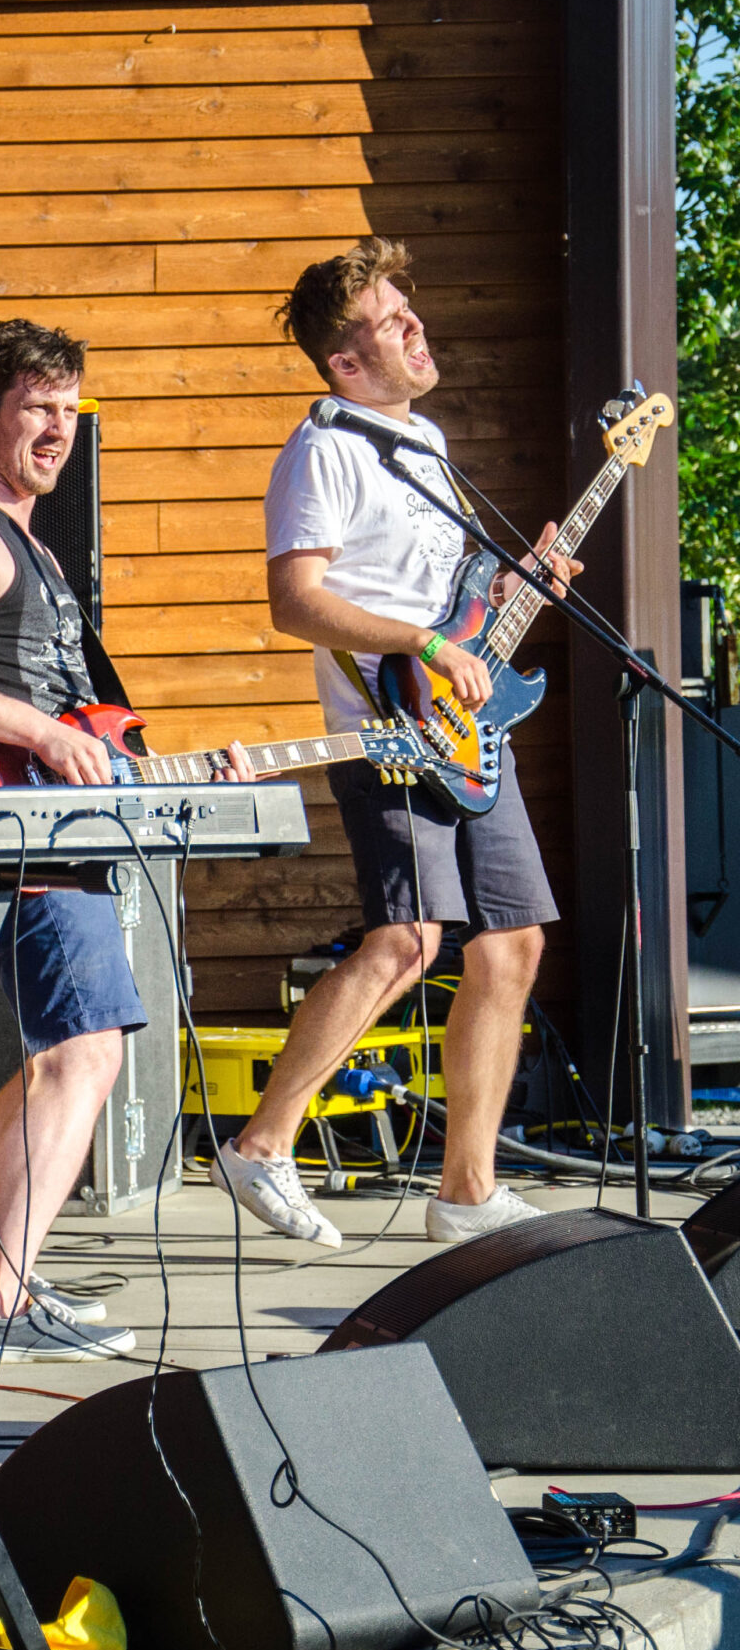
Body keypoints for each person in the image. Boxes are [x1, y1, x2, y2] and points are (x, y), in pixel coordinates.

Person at [0, 320, 253, 1364]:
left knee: (58, 1055)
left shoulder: (26, 541)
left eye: (69, 409)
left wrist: (173, 771)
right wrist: (41, 736)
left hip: (49, 827)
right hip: (19, 829)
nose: (57, 427)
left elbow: (81, 722)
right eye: (36, 406)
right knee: (86, 1051)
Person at [226, 237, 575, 1249]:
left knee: (512, 943)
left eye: (407, 309)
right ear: (344, 362)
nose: (416, 326)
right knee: (408, 940)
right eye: (391, 322)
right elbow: (295, 600)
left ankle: (465, 1193)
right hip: (386, 732)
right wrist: (423, 644)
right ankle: (261, 1144)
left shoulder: (424, 441)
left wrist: (511, 591)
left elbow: (442, 600)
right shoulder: (323, 451)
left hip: (467, 731)